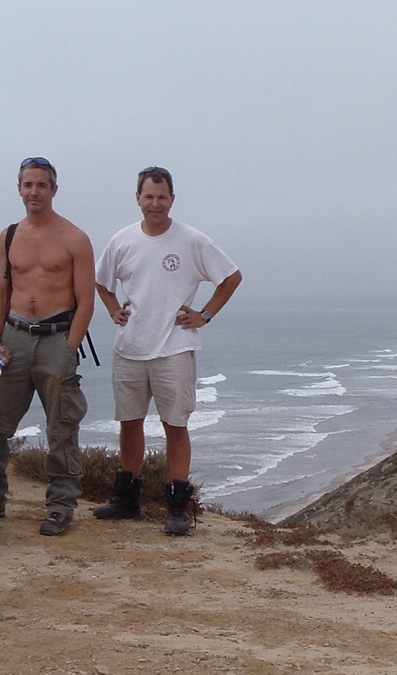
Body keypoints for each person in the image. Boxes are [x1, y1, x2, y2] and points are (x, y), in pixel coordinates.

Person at [93, 166, 242, 535]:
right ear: (138, 198)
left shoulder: (192, 240)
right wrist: (113, 309)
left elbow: (231, 276)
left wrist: (205, 314)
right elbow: (101, 281)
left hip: (174, 348)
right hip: (130, 348)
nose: (155, 204)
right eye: (149, 196)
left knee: (175, 425)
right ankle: (127, 499)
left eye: (162, 197)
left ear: (172, 199)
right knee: (129, 423)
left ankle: (177, 507)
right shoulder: (122, 240)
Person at [0, 157, 95, 536]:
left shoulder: (75, 238)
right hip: (13, 337)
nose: (35, 192)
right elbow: (2, 291)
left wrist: (69, 347)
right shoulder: (9, 236)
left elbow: (86, 302)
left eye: (42, 185)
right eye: (28, 185)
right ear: (19, 189)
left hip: (56, 337)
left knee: (61, 428)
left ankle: (60, 506)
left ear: (54, 189)